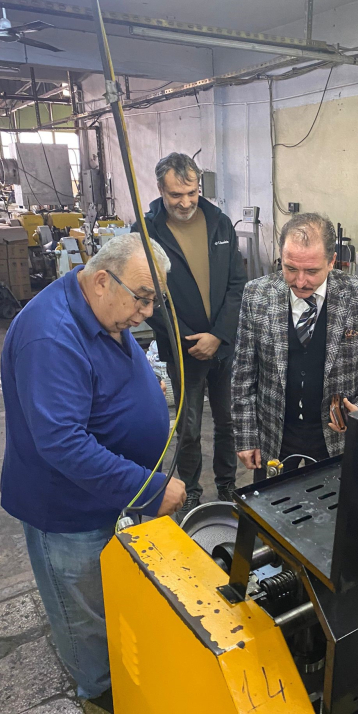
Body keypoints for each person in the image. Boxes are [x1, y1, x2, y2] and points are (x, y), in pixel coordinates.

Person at [0, 233, 187, 712]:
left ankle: (117, 665)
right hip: (69, 510)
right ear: (102, 280)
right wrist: (148, 490)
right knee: (82, 612)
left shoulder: (100, 306)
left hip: (108, 498)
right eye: (142, 298)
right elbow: (63, 443)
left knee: (113, 595)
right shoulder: (50, 336)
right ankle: (100, 689)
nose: (147, 313)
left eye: (154, 300)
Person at [232, 212, 358, 478]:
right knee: (272, 501)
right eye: (290, 268)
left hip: (335, 437)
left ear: (332, 261)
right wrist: (245, 435)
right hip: (274, 435)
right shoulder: (257, 294)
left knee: (332, 502)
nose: (300, 282)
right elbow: (243, 373)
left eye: (311, 271)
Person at [137, 152, 247, 516]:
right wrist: (188, 339)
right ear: (160, 189)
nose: (185, 202)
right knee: (189, 427)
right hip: (183, 351)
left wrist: (219, 335)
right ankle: (191, 491)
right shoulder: (146, 231)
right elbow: (148, 295)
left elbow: (237, 284)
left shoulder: (220, 223)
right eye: (175, 195)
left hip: (224, 346)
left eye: (192, 192)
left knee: (228, 421)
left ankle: (228, 485)